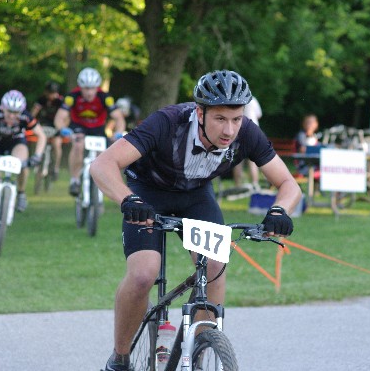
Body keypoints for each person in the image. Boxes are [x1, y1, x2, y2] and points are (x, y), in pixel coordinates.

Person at [90, 69, 302, 371]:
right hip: (147, 191)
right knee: (143, 274)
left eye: (236, 119)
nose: (229, 130)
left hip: (195, 195)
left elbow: (289, 185)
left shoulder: (247, 133)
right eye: (220, 119)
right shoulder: (168, 122)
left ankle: (201, 352)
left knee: (215, 266)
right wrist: (128, 200)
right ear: (200, 112)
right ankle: (120, 358)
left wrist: (280, 211)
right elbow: (102, 164)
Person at [0, 90, 47, 238]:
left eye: (16, 112)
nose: (12, 116)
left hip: (16, 143)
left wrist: (37, 155)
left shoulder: (26, 117)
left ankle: (21, 192)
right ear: (2, 108)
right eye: (9, 112)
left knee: (22, 164)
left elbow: (42, 136)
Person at [53, 67, 125, 196]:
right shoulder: (72, 96)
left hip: (98, 128)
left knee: (102, 154)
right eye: (86, 88)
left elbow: (119, 118)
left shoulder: (104, 97)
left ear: (97, 87)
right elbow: (59, 117)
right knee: (78, 145)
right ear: (80, 87)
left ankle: (100, 184)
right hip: (78, 126)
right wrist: (63, 129)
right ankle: (74, 180)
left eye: (92, 88)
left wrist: (118, 133)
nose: (89, 92)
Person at [31, 81, 63, 180]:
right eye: (51, 92)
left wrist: (62, 127)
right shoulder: (41, 100)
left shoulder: (61, 101)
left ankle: (56, 168)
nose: (52, 95)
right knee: (36, 140)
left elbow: (65, 116)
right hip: (43, 125)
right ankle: (36, 159)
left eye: (54, 92)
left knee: (57, 144)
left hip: (56, 126)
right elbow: (34, 112)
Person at [232, 96, 263, 191]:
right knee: (252, 160)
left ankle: (238, 185)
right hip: (253, 130)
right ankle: (255, 184)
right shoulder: (253, 99)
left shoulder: (234, 99)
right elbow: (259, 115)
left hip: (239, 130)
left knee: (238, 160)